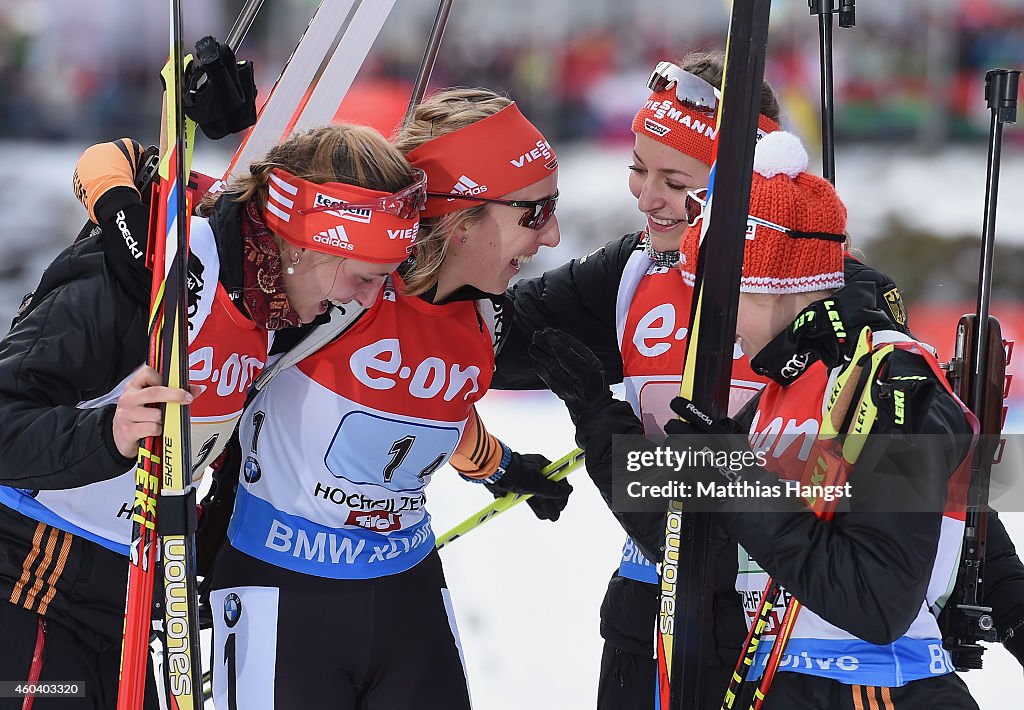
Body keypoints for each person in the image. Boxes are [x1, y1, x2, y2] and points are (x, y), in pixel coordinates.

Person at [492, 53, 1024, 707]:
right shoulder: (640, 279)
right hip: (692, 622)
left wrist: (993, 587)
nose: (647, 194)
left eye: (675, 178)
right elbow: (679, 493)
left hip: (809, 655)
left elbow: (934, 483)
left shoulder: (855, 347)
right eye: (637, 169)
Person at [0, 123, 426, 709]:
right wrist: (108, 433)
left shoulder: (277, 312)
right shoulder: (157, 274)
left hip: (136, 601)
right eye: (363, 276)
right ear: (307, 244)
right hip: (31, 580)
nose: (365, 299)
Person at [205, 88, 567, 709]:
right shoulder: (335, 287)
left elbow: (430, 415)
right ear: (461, 218)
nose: (553, 235)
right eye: (533, 213)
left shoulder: (486, 314)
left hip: (408, 593)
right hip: (282, 594)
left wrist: (504, 468)